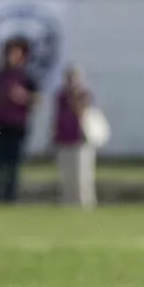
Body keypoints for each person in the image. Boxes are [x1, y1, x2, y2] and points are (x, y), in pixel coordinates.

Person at [0, 38, 39, 203]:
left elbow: (36, 99)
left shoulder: (27, 77)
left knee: (14, 164)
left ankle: (10, 198)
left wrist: (23, 97)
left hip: (18, 126)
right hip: (0, 125)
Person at [53, 65, 97, 209]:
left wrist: (74, 96)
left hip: (80, 140)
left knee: (82, 176)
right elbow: (57, 116)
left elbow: (81, 113)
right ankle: (68, 202)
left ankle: (85, 203)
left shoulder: (83, 94)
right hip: (64, 139)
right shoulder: (61, 95)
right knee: (67, 175)